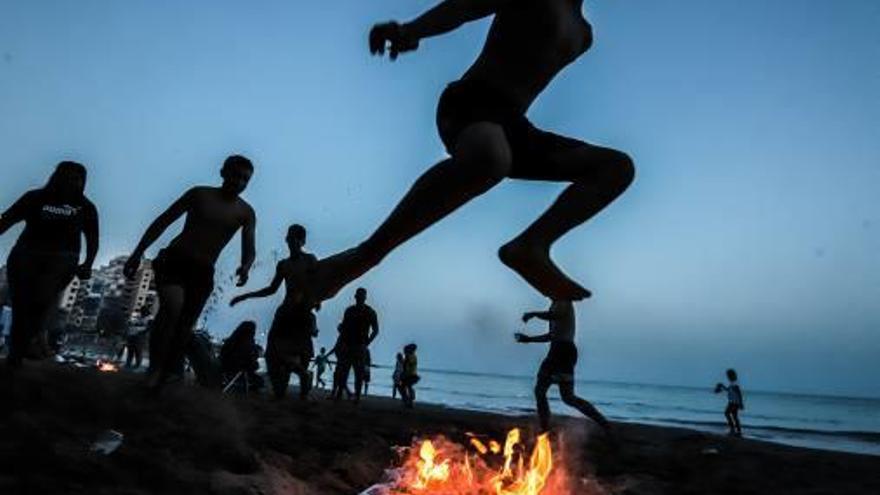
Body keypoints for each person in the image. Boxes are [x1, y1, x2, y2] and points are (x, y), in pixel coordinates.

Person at [314, 0, 634, 303]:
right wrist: (411, 30)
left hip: (515, 128)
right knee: (490, 159)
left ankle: (531, 245)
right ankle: (367, 254)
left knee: (616, 168)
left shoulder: (583, 33)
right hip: (471, 103)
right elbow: (465, 6)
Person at [123, 155, 256, 390]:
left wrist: (245, 266)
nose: (239, 182)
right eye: (235, 175)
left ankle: (169, 372)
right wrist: (137, 253)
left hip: (203, 271)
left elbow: (250, 249)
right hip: (175, 259)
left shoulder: (245, 212)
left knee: (185, 327)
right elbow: (163, 221)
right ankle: (154, 370)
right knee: (172, 308)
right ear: (223, 172)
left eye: (245, 179)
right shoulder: (199, 194)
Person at [0, 162, 99, 369]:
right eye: (68, 176)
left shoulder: (86, 208)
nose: (73, 181)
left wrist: (88, 264)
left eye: (78, 178)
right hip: (25, 256)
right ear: (56, 176)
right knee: (20, 307)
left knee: (40, 302)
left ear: (83, 182)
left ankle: (32, 341)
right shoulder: (34, 198)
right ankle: (16, 356)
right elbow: (7, 220)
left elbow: (93, 239)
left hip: (61, 260)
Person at [230, 224, 317, 400]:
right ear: (287, 239)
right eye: (290, 238)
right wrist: (246, 296)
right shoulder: (283, 264)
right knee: (273, 353)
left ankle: (302, 382)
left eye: (295, 238)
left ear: (302, 241)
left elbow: (318, 283)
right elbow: (272, 289)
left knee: (300, 350)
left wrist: (315, 300)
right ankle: (288, 385)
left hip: (301, 313)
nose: (291, 242)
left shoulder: (309, 260)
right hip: (286, 312)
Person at [515, 299, 610, 434]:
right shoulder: (554, 304)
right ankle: (545, 428)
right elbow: (552, 335)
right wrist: (529, 339)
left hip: (564, 352)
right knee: (540, 391)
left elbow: (555, 316)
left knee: (568, 397)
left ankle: (604, 424)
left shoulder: (564, 301)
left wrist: (534, 314)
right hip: (555, 350)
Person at [333, 288, 379, 403]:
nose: (359, 298)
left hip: (358, 346)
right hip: (350, 345)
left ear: (363, 297)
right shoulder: (351, 311)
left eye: (361, 296)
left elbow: (376, 330)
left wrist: (367, 342)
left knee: (356, 373)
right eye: (359, 296)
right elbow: (344, 328)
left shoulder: (369, 312)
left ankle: (355, 396)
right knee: (346, 371)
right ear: (357, 297)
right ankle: (343, 395)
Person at [219, 320, 263, 391]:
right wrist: (255, 359)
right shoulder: (247, 344)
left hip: (225, 371)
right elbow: (250, 363)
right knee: (260, 382)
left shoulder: (231, 340)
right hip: (237, 372)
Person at [715, 368, 745, 437]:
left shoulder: (735, 384)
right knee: (734, 416)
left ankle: (733, 430)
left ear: (732, 376)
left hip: (734, 402)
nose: (727, 377)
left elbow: (739, 393)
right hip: (732, 402)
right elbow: (728, 390)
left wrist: (741, 403)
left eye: (728, 376)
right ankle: (738, 431)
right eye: (727, 376)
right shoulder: (732, 383)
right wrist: (722, 386)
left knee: (727, 413)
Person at [400, 343, 420, 408]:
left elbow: (407, 365)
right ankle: (408, 400)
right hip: (410, 374)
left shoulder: (410, 356)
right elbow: (406, 365)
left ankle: (409, 400)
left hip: (410, 375)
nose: (404, 352)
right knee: (406, 387)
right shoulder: (412, 356)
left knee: (405, 387)